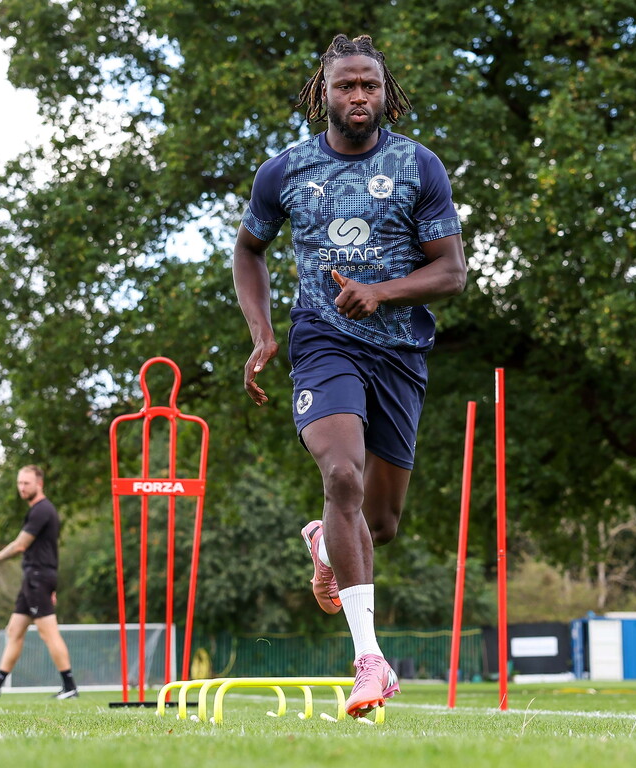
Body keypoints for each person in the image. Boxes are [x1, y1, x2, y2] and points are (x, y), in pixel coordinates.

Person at [232, 34, 467, 717]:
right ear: (322, 93)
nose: (358, 96)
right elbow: (249, 251)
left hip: (398, 352)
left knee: (381, 523)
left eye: (369, 86)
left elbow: (450, 272)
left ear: (385, 94)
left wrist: (381, 291)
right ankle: (370, 661)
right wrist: (263, 334)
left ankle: (323, 540)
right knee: (341, 474)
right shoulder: (284, 172)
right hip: (322, 340)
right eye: (345, 86)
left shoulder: (419, 166)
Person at [0, 465, 78, 700]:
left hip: (38, 578)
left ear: (40, 484)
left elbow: (20, 545)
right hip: (35, 579)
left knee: (49, 633)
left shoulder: (41, 510)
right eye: (19, 483)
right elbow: (50, 550)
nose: (21, 487)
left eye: (26, 483)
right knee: (14, 631)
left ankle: (70, 687)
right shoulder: (39, 510)